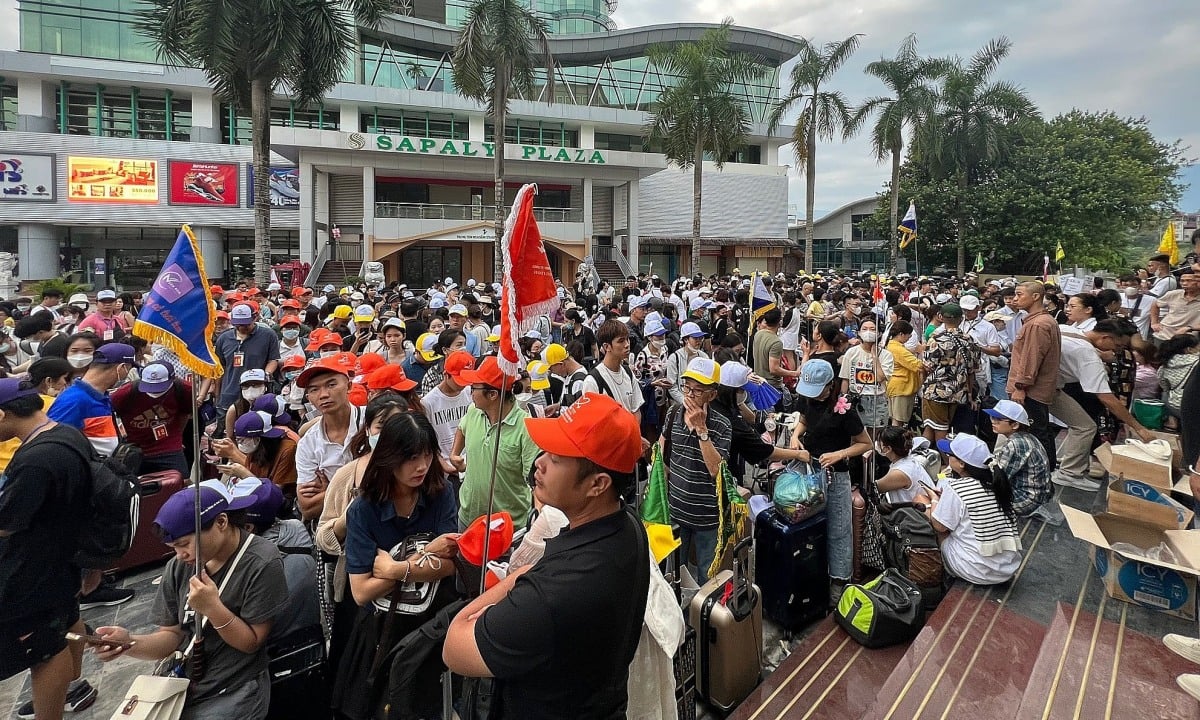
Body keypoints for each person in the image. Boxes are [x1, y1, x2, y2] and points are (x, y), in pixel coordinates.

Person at [443, 392, 650, 720]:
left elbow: (454, 647)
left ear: (597, 484)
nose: (539, 462)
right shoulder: (626, 525)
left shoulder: (552, 595)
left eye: (556, 458)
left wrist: (515, 579)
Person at [94, 486, 290, 719]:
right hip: (184, 686)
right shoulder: (179, 567)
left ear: (221, 522)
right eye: (173, 548)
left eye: (184, 544)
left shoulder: (261, 562)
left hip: (234, 688)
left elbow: (252, 642)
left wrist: (213, 608)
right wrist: (129, 643)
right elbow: (172, 635)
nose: (180, 555)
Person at [333, 412, 461, 720]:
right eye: (410, 458)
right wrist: (427, 556)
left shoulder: (440, 492)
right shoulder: (364, 508)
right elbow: (361, 591)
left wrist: (395, 569)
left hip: (433, 622)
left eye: (427, 455)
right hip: (381, 631)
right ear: (389, 457)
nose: (421, 467)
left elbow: (452, 563)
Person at [0, 379, 99, 720]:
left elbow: (7, 521)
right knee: (68, 620)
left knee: (44, 648)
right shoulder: (65, 434)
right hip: (63, 557)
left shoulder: (36, 460)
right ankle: (72, 688)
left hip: (36, 566)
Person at [788, 359, 872, 602]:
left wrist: (839, 454)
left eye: (820, 392)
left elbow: (865, 444)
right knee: (806, 524)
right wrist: (795, 436)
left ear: (830, 385)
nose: (814, 397)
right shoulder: (807, 397)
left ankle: (839, 582)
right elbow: (803, 420)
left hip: (837, 475)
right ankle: (810, 574)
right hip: (807, 467)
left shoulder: (844, 409)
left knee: (839, 528)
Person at [661, 358, 732, 582]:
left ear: (712, 395)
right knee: (673, 576)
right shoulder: (673, 413)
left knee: (707, 580)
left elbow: (716, 471)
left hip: (707, 517)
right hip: (675, 512)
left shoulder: (722, 425)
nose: (689, 396)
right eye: (687, 388)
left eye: (697, 391)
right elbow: (663, 451)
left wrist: (702, 429)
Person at [451, 357, 541, 530]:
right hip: (468, 518)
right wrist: (455, 453)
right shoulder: (473, 411)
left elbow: (537, 480)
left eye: (473, 388)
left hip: (507, 527)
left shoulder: (525, 428)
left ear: (492, 394)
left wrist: (537, 520)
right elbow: (462, 428)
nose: (470, 394)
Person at [929, 434, 1022, 585]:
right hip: (1006, 568)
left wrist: (934, 499)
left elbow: (939, 526)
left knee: (938, 526)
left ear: (961, 464)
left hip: (977, 570)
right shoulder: (997, 483)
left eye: (950, 455)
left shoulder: (956, 488)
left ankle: (941, 576)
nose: (947, 457)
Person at [294, 353, 364, 520]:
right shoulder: (308, 443)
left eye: (331, 385)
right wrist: (357, 488)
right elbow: (308, 508)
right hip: (334, 525)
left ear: (348, 386)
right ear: (308, 398)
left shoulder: (372, 423)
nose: (323, 394)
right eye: (314, 389)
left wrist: (330, 489)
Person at [1006, 282, 1061, 470]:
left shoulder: (1038, 324)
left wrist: (1020, 387)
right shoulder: (1039, 321)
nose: (1015, 299)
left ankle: (1042, 469)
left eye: (1019, 294)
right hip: (1033, 389)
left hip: (1030, 391)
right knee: (1038, 429)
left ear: (1036, 296)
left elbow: (1031, 360)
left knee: (1034, 431)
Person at [206, 303, 280, 437]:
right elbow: (220, 368)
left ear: (255, 317)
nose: (242, 327)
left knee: (255, 432)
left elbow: (273, 359)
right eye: (238, 324)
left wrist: (266, 375)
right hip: (229, 393)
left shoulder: (268, 335)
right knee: (227, 434)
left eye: (246, 324)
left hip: (256, 393)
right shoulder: (224, 338)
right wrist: (217, 394)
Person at [111, 361, 193, 476]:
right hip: (135, 448)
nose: (155, 391)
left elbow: (185, 413)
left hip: (168, 446)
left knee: (181, 480)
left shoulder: (184, 389)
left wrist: (177, 436)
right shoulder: (125, 393)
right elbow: (108, 414)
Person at [985, 400, 1054, 522]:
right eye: (992, 417)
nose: (993, 422)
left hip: (1027, 500)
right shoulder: (1025, 437)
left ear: (1015, 425)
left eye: (998, 419)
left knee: (979, 495)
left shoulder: (1015, 444)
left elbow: (997, 477)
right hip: (1038, 494)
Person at [919, 303, 979, 443]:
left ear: (941, 317)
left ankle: (947, 462)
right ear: (961, 318)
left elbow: (928, 366)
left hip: (936, 391)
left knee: (939, 429)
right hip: (959, 391)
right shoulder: (969, 340)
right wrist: (970, 394)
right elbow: (972, 370)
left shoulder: (936, 339)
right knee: (932, 427)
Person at [581, 320, 644, 418]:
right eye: (621, 341)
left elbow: (636, 410)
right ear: (607, 347)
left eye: (628, 339)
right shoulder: (592, 381)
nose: (627, 344)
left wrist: (633, 432)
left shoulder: (628, 373)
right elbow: (592, 420)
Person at [839, 317, 893, 429]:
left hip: (878, 399)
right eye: (865, 329)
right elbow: (845, 379)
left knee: (877, 433)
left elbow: (879, 378)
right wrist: (844, 399)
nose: (868, 332)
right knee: (856, 435)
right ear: (859, 333)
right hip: (856, 398)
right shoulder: (851, 352)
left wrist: (874, 356)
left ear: (878, 333)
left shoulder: (886, 355)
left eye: (872, 329)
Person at [874, 426, 935, 505]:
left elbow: (876, 488)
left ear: (887, 449)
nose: (876, 444)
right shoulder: (908, 460)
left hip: (914, 515)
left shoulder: (899, 472)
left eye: (879, 443)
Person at [885, 320, 922, 426]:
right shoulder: (897, 349)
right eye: (908, 336)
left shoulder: (894, 346)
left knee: (897, 419)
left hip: (898, 386)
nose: (909, 338)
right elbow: (916, 364)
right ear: (901, 334)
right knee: (898, 420)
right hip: (901, 387)